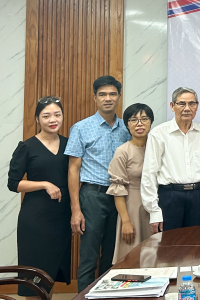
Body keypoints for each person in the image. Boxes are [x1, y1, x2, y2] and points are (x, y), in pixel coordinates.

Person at [65, 76, 131, 291]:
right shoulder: (82, 128)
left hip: (121, 197)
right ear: (95, 98)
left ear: (119, 97)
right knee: (89, 254)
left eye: (113, 94)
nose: (108, 98)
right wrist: (76, 209)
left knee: (113, 254)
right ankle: (83, 296)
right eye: (102, 94)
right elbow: (73, 169)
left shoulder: (127, 128)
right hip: (93, 195)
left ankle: (107, 295)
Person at [7, 97, 70, 298]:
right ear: (37, 119)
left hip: (60, 220)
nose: (53, 119)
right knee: (33, 280)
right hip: (35, 221)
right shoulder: (27, 147)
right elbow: (14, 184)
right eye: (46, 116)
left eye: (57, 115)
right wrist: (44, 184)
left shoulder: (69, 145)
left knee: (49, 277)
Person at [141, 87, 200, 233]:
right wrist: (154, 211)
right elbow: (149, 174)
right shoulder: (158, 134)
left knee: (196, 247)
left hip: (198, 197)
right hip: (170, 197)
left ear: (197, 106)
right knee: (168, 248)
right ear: (172, 106)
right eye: (181, 104)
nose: (187, 108)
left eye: (192, 104)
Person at [106, 103, 154, 263]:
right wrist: (126, 221)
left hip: (155, 207)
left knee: (155, 257)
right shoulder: (123, 151)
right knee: (133, 259)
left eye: (144, 119)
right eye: (134, 120)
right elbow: (117, 189)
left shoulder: (157, 148)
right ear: (127, 124)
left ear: (151, 122)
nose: (139, 124)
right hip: (133, 208)